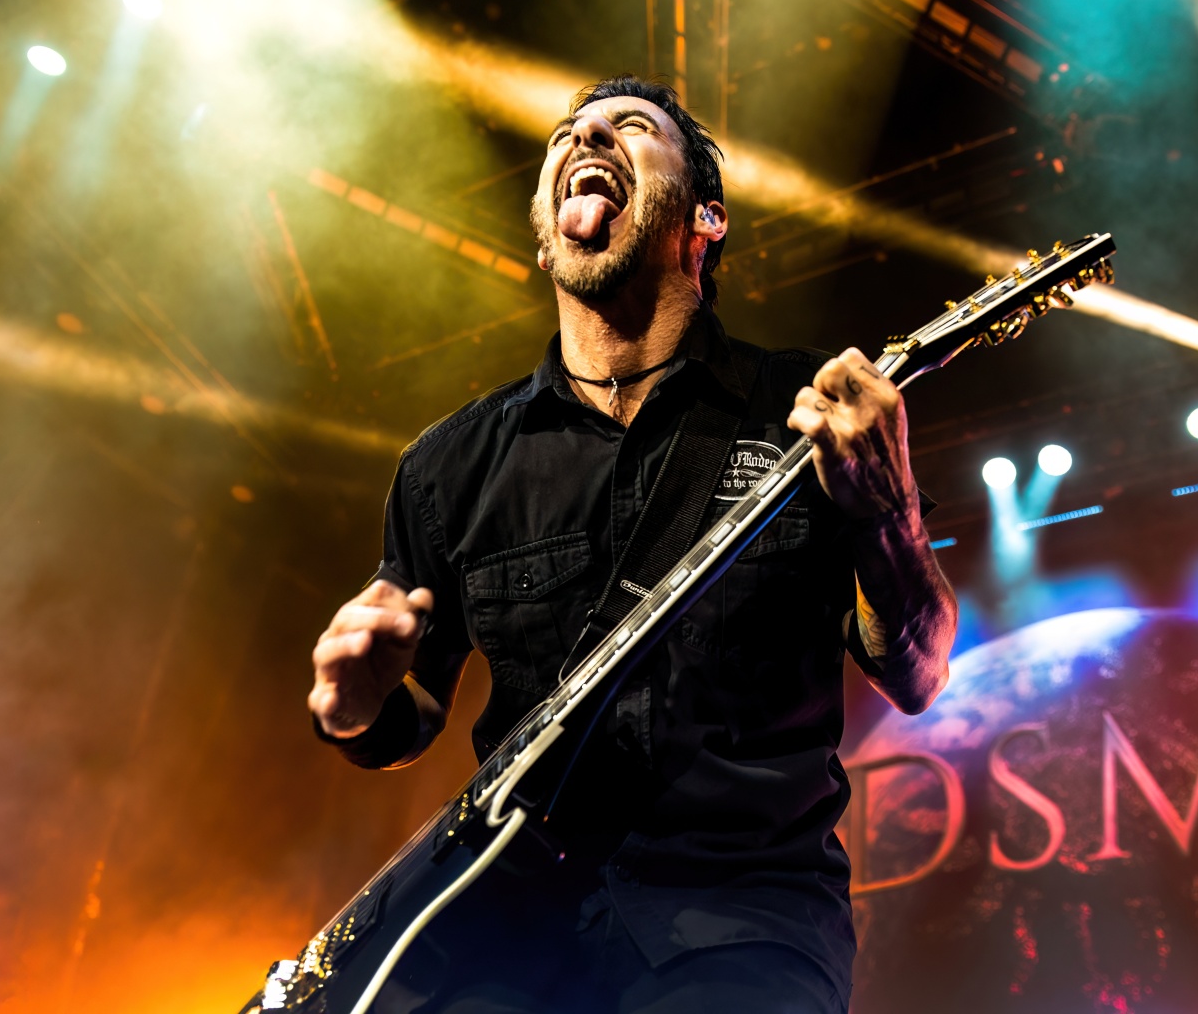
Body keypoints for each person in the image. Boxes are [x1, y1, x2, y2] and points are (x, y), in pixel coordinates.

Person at [307, 75, 958, 1013]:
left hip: (741, 923)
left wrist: (889, 514)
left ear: (706, 220)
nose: (587, 138)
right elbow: (412, 715)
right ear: (545, 238)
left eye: (630, 127)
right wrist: (354, 708)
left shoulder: (805, 413)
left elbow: (919, 672)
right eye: (567, 134)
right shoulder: (450, 466)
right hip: (508, 930)